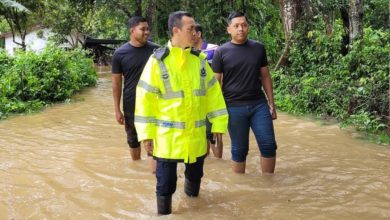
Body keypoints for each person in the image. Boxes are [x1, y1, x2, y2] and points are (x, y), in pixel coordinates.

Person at [134, 11, 228, 215]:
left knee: (195, 180)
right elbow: (144, 100)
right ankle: (164, 215)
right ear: (176, 31)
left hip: (195, 137)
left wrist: (219, 126)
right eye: (190, 29)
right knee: (165, 186)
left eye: (195, 28)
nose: (196, 32)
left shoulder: (200, 62)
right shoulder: (157, 62)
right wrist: (146, 134)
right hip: (168, 139)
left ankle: (196, 212)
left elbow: (214, 96)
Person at [211, 11, 277, 174]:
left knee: (268, 144)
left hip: (258, 105)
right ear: (229, 29)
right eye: (236, 26)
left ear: (248, 28)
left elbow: (265, 76)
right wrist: (216, 113)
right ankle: (240, 186)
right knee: (239, 149)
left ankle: (269, 186)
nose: (241, 29)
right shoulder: (221, 52)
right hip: (233, 107)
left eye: (244, 25)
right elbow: (216, 84)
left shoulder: (258, 48)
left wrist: (271, 103)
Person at [111, 16, 159, 171]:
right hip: (131, 102)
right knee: (133, 138)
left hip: (154, 102)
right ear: (132, 31)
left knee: (154, 137)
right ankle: (137, 169)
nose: (147, 32)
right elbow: (116, 83)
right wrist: (117, 109)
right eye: (143, 29)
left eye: (147, 29)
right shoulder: (120, 54)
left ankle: (154, 174)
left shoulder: (157, 51)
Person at [193, 23, 224, 158]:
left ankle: (218, 159)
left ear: (198, 34)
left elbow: (221, 74)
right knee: (202, 132)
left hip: (213, 97)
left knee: (215, 133)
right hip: (196, 98)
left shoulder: (214, 50)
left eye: (191, 31)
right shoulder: (187, 52)